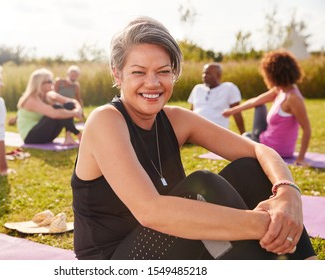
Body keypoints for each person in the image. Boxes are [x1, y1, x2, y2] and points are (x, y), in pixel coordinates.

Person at [71, 16, 316, 260]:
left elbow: (259, 151)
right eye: (138, 72)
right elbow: (151, 211)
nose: (153, 82)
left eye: (163, 71)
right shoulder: (105, 121)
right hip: (115, 262)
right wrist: (270, 224)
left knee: (248, 169)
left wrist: (288, 194)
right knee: (203, 186)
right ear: (117, 75)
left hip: (173, 246)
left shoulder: (177, 119)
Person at [223, 50, 311, 166]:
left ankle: (248, 137)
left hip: (273, 149)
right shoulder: (281, 90)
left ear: (273, 75)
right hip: (266, 139)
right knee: (259, 106)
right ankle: (248, 137)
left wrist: (300, 158)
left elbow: (307, 129)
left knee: (243, 139)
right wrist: (231, 111)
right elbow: (255, 101)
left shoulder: (293, 99)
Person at [16, 68, 83, 145]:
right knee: (57, 108)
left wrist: (78, 110)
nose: (54, 83)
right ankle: (79, 134)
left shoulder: (50, 95)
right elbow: (54, 114)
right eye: (50, 81)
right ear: (40, 84)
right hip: (31, 137)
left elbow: (73, 102)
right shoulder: (31, 99)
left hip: (47, 135)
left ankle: (68, 137)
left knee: (68, 105)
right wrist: (74, 113)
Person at [187, 63, 245, 134]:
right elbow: (191, 111)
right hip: (193, 129)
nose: (204, 76)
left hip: (215, 131)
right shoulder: (197, 88)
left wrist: (243, 134)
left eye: (208, 73)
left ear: (218, 75)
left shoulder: (229, 88)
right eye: (203, 73)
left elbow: (237, 113)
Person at [54, 65, 84, 143]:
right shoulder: (59, 82)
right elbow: (53, 94)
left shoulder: (76, 86)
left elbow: (78, 99)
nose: (73, 77)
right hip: (58, 107)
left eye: (75, 75)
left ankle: (68, 137)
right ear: (68, 74)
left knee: (70, 106)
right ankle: (74, 135)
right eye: (72, 75)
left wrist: (81, 111)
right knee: (69, 107)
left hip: (69, 106)